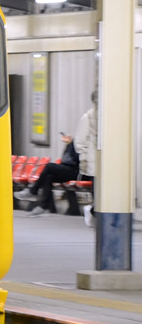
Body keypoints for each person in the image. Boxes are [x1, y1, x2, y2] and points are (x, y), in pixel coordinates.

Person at [14, 131, 80, 215]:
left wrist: (71, 144)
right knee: (49, 176)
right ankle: (44, 206)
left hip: (76, 171)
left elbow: (77, 159)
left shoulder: (83, 145)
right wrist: (69, 144)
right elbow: (66, 159)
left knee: (49, 166)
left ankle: (33, 191)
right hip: (67, 168)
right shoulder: (73, 144)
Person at [73, 90, 97, 227]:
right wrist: (83, 158)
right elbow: (80, 141)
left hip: (108, 162)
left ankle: (93, 210)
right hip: (92, 159)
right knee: (97, 190)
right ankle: (93, 210)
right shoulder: (87, 118)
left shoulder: (109, 117)